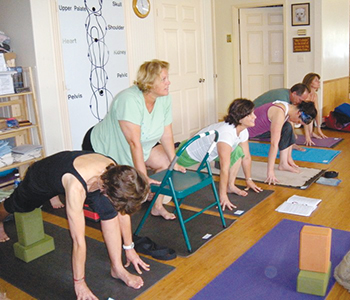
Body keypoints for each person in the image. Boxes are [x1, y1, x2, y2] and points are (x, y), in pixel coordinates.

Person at [0, 151, 150, 300]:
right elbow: (78, 241)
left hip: (86, 178)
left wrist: (129, 248)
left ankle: (117, 268)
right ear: (107, 192)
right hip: (41, 177)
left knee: (109, 213)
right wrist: (79, 283)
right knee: (17, 205)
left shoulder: (117, 174)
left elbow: (121, 213)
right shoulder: (75, 188)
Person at [83, 59, 186, 220]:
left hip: (139, 144)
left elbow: (167, 133)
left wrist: (174, 160)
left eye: (167, 78)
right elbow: (133, 143)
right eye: (163, 79)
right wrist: (143, 176)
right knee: (119, 187)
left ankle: (157, 206)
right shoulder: (129, 99)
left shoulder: (164, 98)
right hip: (105, 146)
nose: (169, 82)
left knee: (166, 164)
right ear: (150, 83)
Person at [176, 99, 263, 211]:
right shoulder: (226, 133)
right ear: (240, 117)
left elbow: (246, 157)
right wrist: (222, 197)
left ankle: (230, 186)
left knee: (238, 151)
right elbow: (224, 168)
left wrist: (249, 179)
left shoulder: (243, 130)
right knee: (164, 167)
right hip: (187, 154)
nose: (254, 117)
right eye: (250, 114)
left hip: (208, 154)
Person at [248, 101, 317, 185]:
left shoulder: (288, 108)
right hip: (246, 132)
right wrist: (270, 172)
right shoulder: (279, 113)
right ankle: (281, 164)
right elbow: (274, 144)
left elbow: (289, 131)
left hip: (261, 129)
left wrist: (289, 158)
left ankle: (284, 163)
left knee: (287, 127)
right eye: (298, 122)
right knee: (286, 128)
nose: (296, 123)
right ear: (298, 113)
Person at [253, 83, 310, 151]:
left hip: (259, 121)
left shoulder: (289, 96)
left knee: (288, 127)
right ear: (294, 94)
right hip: (252, 124)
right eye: (300, 100)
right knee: (287, 127)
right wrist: (291, 140)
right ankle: (286, 150)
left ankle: (287, 150)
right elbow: (287, 120)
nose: (300, 103)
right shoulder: (282, 100)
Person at [302, 73, 328, 145]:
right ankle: (308, 133)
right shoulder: (305, 94)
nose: (319, 82)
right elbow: (304, 115)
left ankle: (311, 133)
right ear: (310, 83)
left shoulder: (315, 95)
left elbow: (316, 112)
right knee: (308, 113)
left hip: (305, 117)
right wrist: (307, 137)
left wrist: (319, 129)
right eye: (316, 80)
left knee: (312, 112)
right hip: (296, 115)